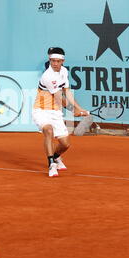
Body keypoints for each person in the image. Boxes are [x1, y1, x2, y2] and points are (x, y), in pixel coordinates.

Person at [32, 47, 89, 177]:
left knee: (65, 144)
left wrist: (79, 109)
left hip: (55, 112)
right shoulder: (48, 76)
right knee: (48, 130)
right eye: (53, 61)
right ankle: (51, 164)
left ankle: (57, 157)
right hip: (41, 111)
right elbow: (59, 97)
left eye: (58, 61)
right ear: (50, 60)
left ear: (63, 61)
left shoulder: (64, 71)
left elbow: (67, 92)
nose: (55, 64)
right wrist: (74, 111)